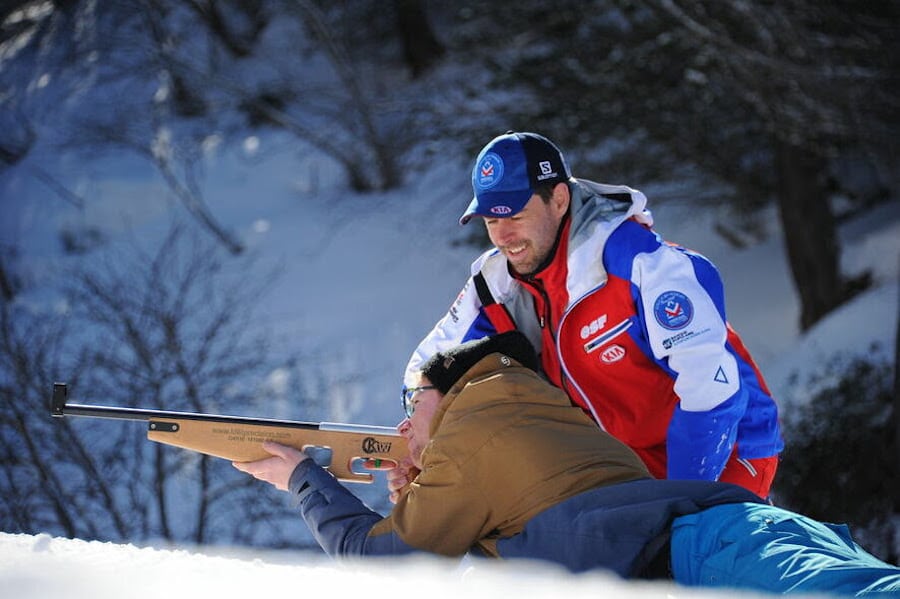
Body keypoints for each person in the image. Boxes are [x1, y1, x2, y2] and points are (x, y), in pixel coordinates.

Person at [233, 332, 899, 596]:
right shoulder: (528, 412)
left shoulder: (477, 417)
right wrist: (421, 491)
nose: (404, 422)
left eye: (414, 403)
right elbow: (529, 544)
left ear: (453, 389)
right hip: (738, 538)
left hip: (711, 554)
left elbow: (377, 560)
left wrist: (300, 476)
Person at [402, 131, 783, 498]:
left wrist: (680, 501)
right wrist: (426, 413)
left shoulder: (640, 264)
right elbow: (425, 364)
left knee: (694, 554)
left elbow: (712, 391)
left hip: (729, 445)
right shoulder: (496, 283)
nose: (503, 236)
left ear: (559, 200)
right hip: (623, 460)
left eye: (514, 216)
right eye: (490, 221)